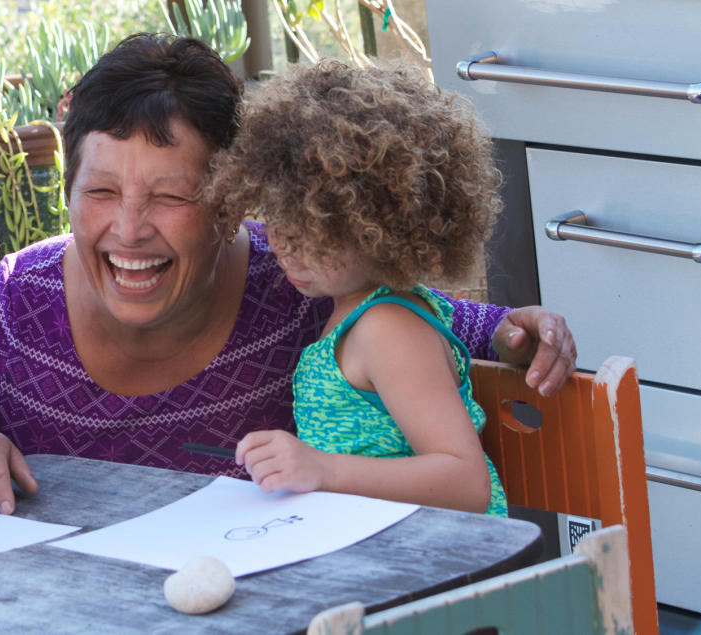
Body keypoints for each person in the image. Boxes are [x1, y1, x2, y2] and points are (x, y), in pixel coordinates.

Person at [0, 34, 577, 514]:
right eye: (100, 193)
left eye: (170, 196)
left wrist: (520, 334)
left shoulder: (307, 278)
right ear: (65, 191)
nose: (128, 230)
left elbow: (445, 322)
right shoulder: (1, 315)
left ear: (230, 204)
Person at [209, 61, 507, 514]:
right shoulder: (355, 313)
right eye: (279, 216)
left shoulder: (388, 327)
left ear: (382, 227)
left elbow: (466, 483)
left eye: (318, 227)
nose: (287, 246)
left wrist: (324, 470)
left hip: (444, 563)